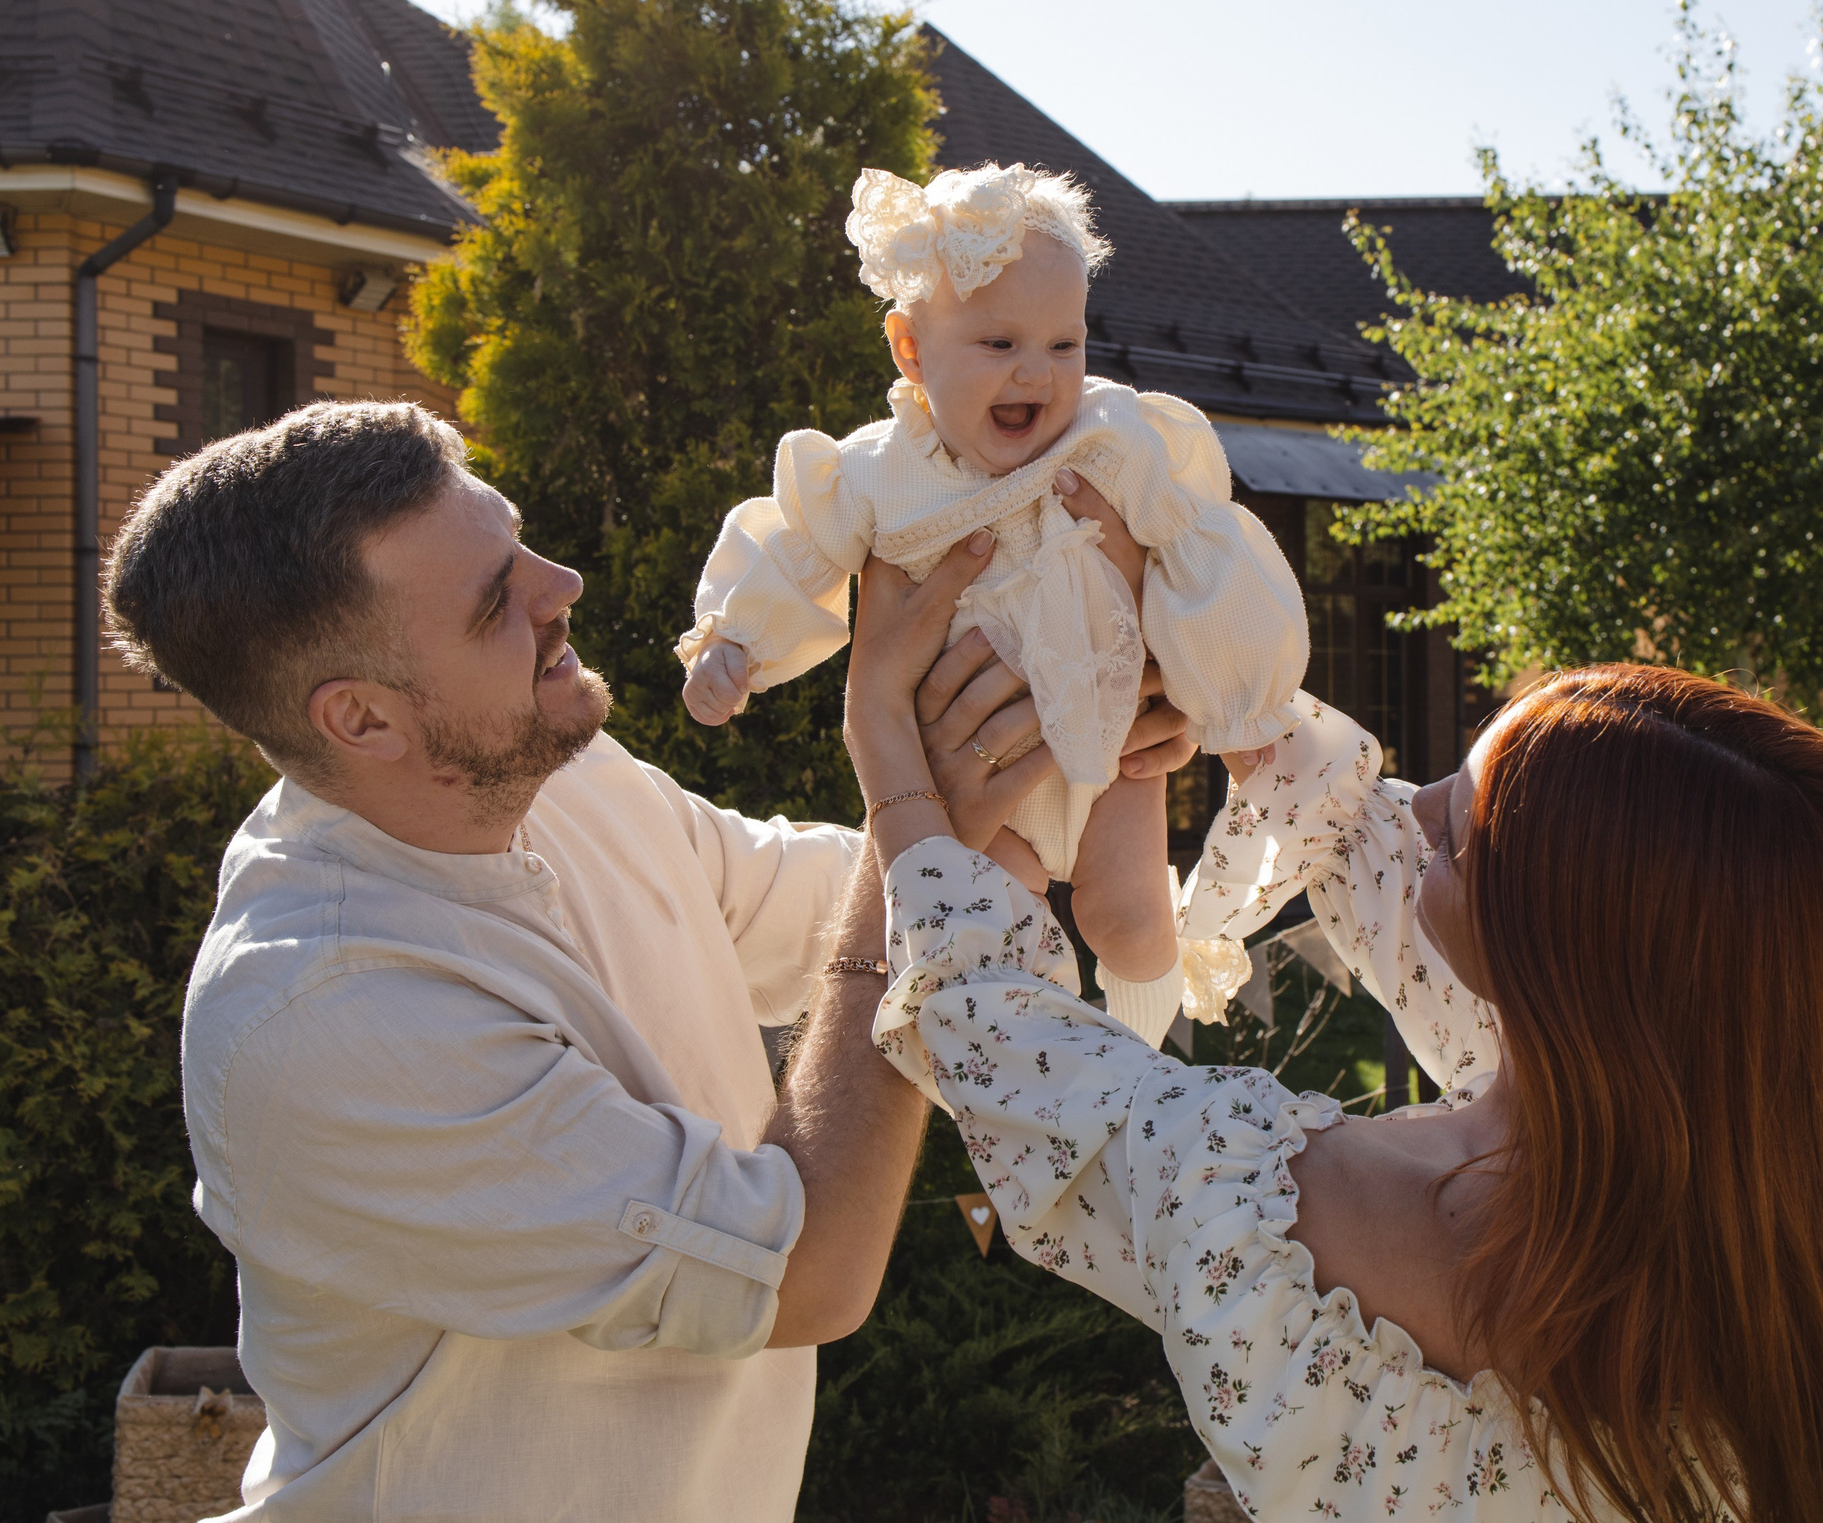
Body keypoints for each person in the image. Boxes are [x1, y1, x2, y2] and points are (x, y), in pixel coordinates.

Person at [100, 400, 1196, 1521]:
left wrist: (1076, 757)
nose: (560, 584)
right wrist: (911, 808)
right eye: (494, 602)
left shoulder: (562, 778)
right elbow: (805, 1267)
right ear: (363, 721)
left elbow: (826, 903)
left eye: (519, 542)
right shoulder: (326, 1018)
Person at [846, 543, 1823, 1523]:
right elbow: (1367, 833)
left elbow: (997, 1035)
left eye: (1464, 830)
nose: (1419, 806)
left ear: (1558, 961)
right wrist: (1227, 689)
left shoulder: (1258, 1207)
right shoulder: (1774, 1256)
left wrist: (889, 750)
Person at [677, 162, 1308, 1044]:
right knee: (991, 925)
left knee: (1131, 919)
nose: (1036, 374)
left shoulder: (1111, 440)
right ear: (910, 350)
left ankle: (1146, 1069)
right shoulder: (876, 473)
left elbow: (1209, 559)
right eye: (1000, 343)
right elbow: (793, 546)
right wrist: (735, 639)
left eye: (1064, 345)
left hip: (1110, 749)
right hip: (969, 772)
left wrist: (1242, 704)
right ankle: (1037, 1081)